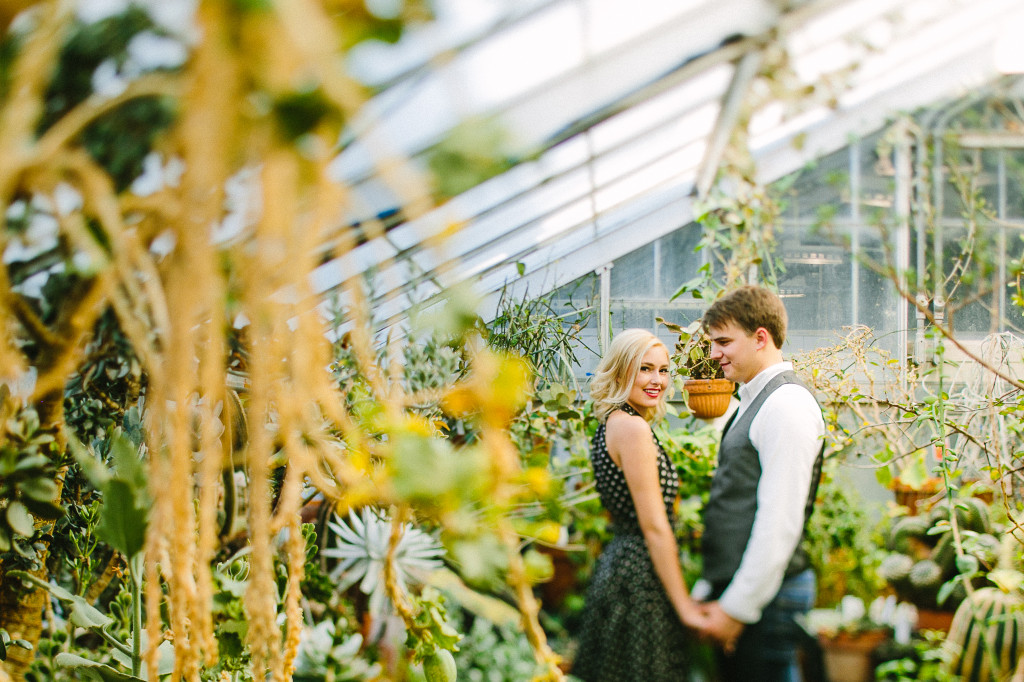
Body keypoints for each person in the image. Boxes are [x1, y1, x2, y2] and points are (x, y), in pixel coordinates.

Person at [693, 285, 826, 682]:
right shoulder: (753, 401)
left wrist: (737, 609)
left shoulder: (786, 405)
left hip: (770, 598)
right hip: (756, 595)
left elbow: (779, 521)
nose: (714, 353)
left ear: (761, 337)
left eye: (723, 342)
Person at [572, 328, 705, 682]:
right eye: (645, 368)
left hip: (622, 569)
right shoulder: (632, 429)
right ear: (620, 372)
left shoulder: (611, 423)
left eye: (663, 370)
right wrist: (685, 608)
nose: (657, 380)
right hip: (640, 578)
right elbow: (655, 527)